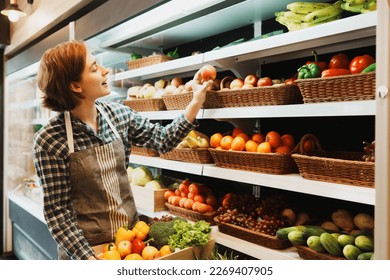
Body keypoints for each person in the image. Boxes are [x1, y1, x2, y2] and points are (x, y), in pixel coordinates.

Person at [32, 40, 213, 260]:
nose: (105, 71)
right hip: (87, 252)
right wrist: (90, 260)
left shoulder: (119, 116)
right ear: (76, 86)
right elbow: (58, 214)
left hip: (131, 243)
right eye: (94, 68)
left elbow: (162, 140)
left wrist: (196, 100)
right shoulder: (50, 140)